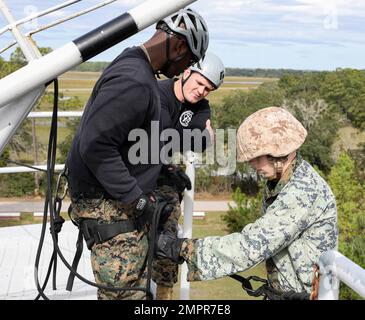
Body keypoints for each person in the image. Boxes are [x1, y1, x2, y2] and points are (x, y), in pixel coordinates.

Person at [66, 8, 209, 300]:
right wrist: (138, 198)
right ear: (179, 46)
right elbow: (96, 145)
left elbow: (126, 139)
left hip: (116, 202)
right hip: (110, 210)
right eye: (190, 61)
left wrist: (161, 169)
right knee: (126, 295)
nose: (185, 69)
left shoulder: (135, 65)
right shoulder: (135, 80)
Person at [155, 106, 338, 298]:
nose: (252, 165)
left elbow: (251, 245)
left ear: (277, 152)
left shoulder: (302, 192)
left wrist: (181, 248)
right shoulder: (283, 181)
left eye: (256, 158)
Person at [152, 52, 225, 299]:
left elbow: (204, 142)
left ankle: (164, 294)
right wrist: (185, 136)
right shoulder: (157, 93)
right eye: (199, 82)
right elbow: (154, 138)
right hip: (132, 171)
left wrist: (174, 137)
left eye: (208, 89)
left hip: (163, 173)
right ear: (185, 72)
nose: (201, 91)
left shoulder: (201, 105)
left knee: (168, 233)